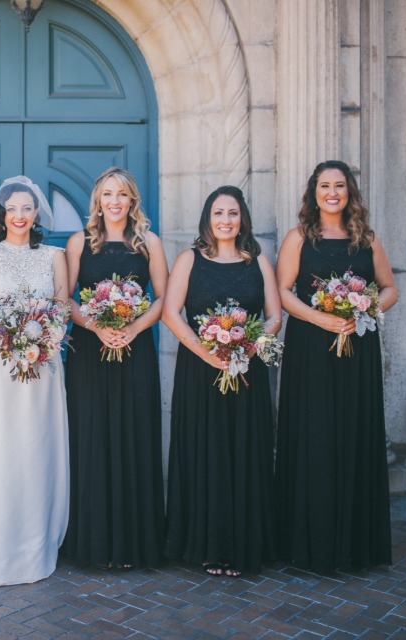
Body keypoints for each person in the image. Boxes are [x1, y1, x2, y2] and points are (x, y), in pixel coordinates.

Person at [275, 160, 398, 572]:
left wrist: (364, 311)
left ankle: (355, 543)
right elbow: (282, 292)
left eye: (340, 185)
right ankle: (308, 541)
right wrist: (321, 317)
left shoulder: (368, 239)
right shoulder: (298, 239)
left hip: (357, 350)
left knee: (353, 432)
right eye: (325, 186)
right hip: (310, 349)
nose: (333, 192)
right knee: (315, 434)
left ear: (350, 192)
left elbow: (390, 289)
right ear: (314, 192)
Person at [161, 185, 282, 577]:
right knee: (206, 452)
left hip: (248, 372)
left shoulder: (258, 262)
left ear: (242, 218)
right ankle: (208, 547)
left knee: (245, 452)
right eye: (218, 213)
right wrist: (206, 352)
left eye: (232, 213)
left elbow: (274, 317)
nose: (226, 220)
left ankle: (245, 544)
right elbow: (171, 313)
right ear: (207, 219)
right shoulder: (188, 260)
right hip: (200, 372)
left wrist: (248, 348)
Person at [61, 167, 168, 570]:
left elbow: (163, 298)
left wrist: (133, 328)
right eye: (108, 194)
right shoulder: (79, 243)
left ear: (132, 201)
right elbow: (64, 299)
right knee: (92, 436)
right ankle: (93, 544)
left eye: (122, 194)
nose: (115, 201)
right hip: (90, 354)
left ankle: (134, 545)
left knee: (134, 436)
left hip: (135, 353)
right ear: (98, 201)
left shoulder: (149, 244)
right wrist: (97, 327)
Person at [0, 175, 70, 586]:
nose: (20, 215)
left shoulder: (54, 256)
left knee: (36, 447)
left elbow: (62, 309)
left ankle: (36, 546)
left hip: (43, 365)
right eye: (12, 208)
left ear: (37, 213)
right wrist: (3, 336)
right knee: (1, 449)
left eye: (27, 208)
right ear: (2, 214)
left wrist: (44, 336)